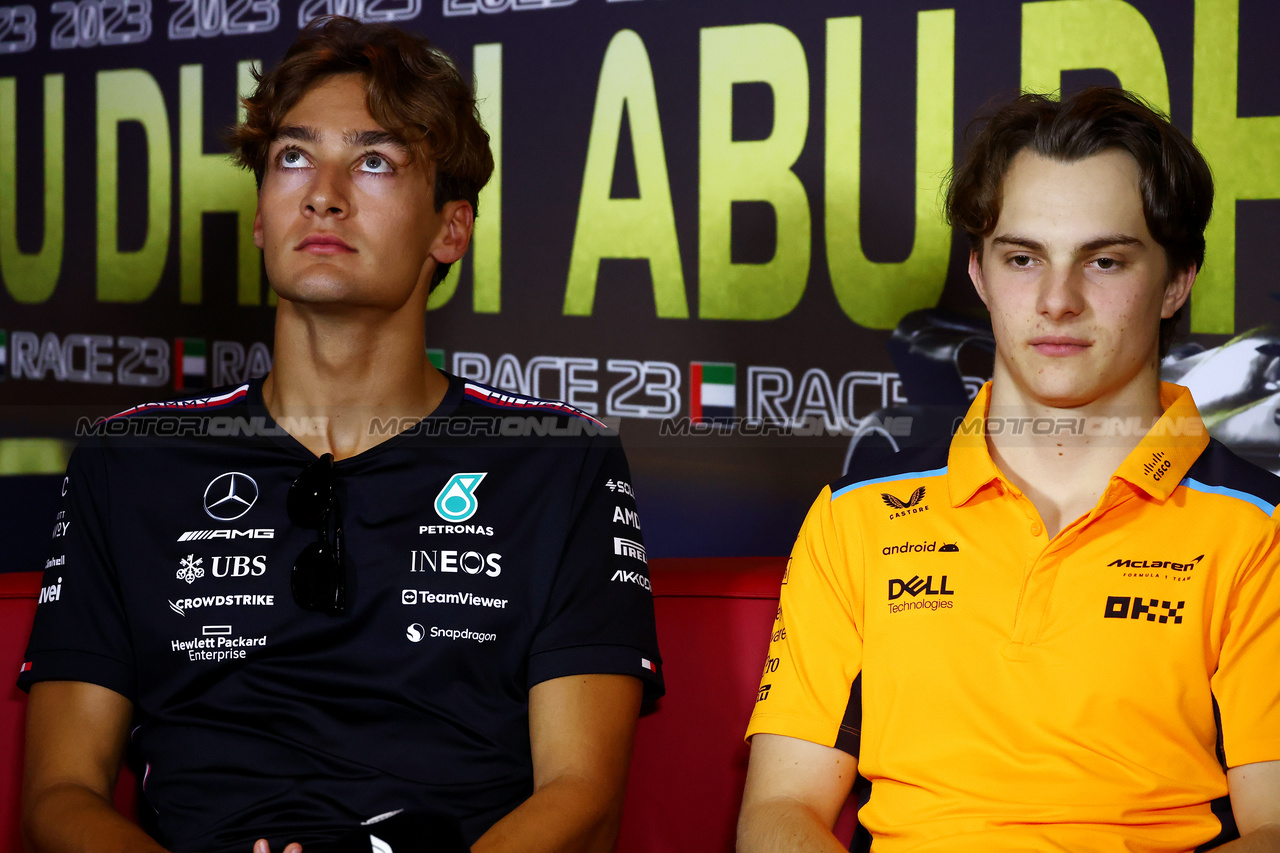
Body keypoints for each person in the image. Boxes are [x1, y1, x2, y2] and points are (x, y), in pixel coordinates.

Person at [19, 16, 662, 853]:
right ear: (259, 216)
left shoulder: (559, 461)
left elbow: (583, 799)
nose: (323, 192)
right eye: (293, 156)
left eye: (374, 161)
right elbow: (59, 794)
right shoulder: (125, 460)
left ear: (450, 228)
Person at [737, 87, 1280, 852]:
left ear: (1177, 279)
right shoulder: (854, 514)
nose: (1057, 300)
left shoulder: (1262, 532)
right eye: (1023, 258)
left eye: (1105, 260)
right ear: (982, 275)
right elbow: (777, 813)